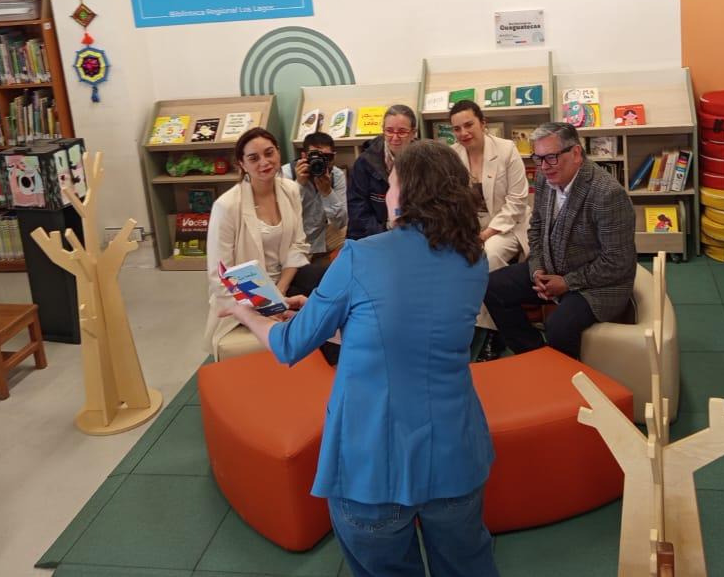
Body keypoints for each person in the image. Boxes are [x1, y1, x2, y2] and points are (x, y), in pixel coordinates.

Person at [221, 140, 498, 577]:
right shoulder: (473, 259)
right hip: (455, 450)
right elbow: (405, 328)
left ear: (408, 193)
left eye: (390, 185)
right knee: (467, 565)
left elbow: (289, 345)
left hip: (373, 460)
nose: (386, 195)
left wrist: (246, 313)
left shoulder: (360, 255)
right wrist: (321, 313)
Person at [483, 121, 636, 360]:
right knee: (491, 287)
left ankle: (566, 381)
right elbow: (536, 228)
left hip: (598, 285)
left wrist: (566, 282)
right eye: (538, 158)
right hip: (552, 269)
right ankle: (535, 356)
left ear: (575, 153)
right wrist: (537, 270)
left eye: (551, 157)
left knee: (559, 327)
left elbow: (618, 262)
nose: (544, 167)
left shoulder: (607, 194)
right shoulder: (545, 179)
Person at [202, 127, 326, 354]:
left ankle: (336, 369)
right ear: (242, 164)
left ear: (278, 153)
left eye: (269, 153)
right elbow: (219, 274)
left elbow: (298, 245)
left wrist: (279, 291)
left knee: (329, 288)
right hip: (244, 294)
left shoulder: (290, 189)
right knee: (311, 316)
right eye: (253, 158)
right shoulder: (227, 206)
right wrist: (267, 304)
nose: (264, 162)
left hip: (283, 281)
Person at [448, 99, 529, 330]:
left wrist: (486, 234)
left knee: (489, 256)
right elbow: (452, 201)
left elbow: (518, 201)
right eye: (456, 128)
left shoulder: (506, 150)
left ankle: (491, 328)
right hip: (471, 227)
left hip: (507, 224)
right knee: (449, 256)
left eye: (468, 125)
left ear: (483, 123)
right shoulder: (452, 156)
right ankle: (462, 320)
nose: (463, 133)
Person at [347, 104, 417, 240]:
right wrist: (386, 233)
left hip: (414, 236)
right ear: (383, 130)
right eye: (389, 131)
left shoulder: (426, 160)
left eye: (402, 131)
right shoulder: (364, 163)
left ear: (413, 133)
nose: (395, 138)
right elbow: (358, 210)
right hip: (374, 236)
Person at [281, 131, 348, 265]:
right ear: (304, 156)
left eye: (326, 157)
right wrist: (299, 185)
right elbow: (282, 218)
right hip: (294, 240)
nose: (320, 161)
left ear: (334, 157)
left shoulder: (336, 174)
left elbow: (341, 222)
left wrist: (327, 192)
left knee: (351, 241)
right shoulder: (287, 173)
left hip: (322, 235)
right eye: (315, 156)